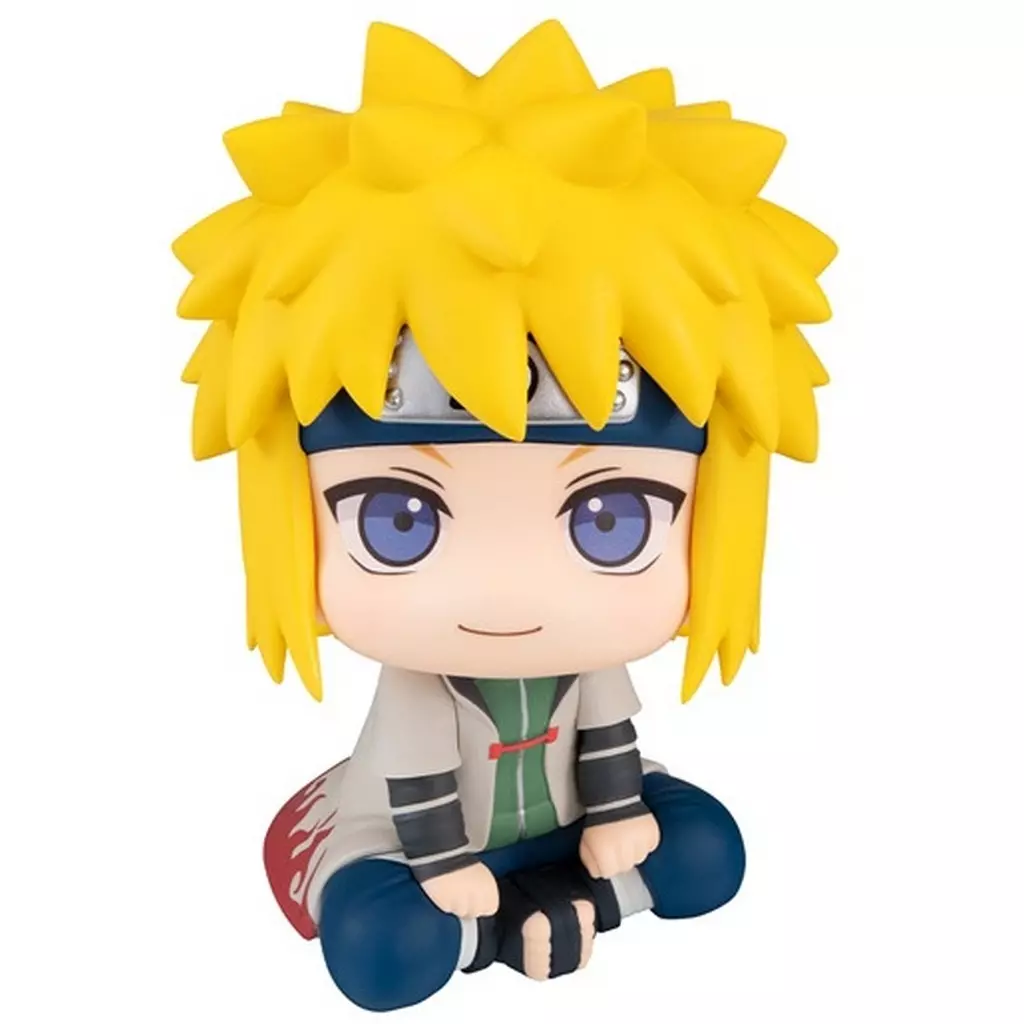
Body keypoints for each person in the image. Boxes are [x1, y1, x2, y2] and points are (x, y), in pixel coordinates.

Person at [176, 19, 835, 1013]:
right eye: (399, 520)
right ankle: (539, 915)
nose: (508, 590)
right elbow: (416, 790)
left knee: (708, 855)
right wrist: (445, 870)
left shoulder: (590, 660)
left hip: (565, 823)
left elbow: (608, 741)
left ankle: (529, 919)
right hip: (414, 845)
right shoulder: (420, 684)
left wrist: (617, 814)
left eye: (611, 520)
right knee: (385, 951)